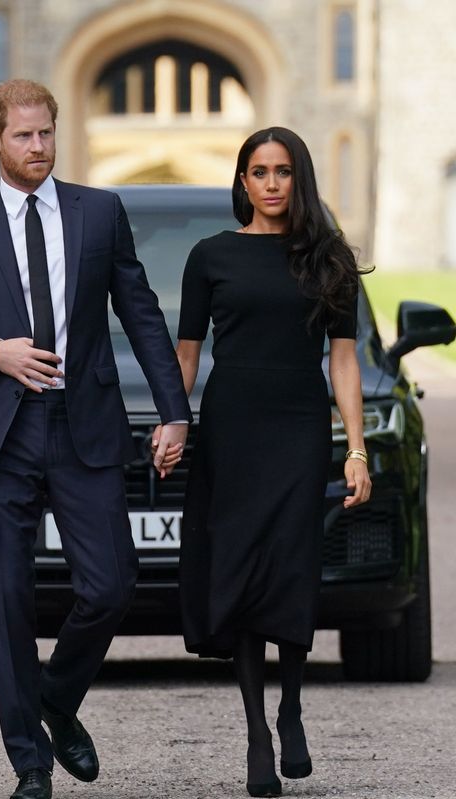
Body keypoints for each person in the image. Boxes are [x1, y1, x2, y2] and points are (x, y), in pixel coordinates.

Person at [0, 79, 190, 799]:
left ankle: (56, 698)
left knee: (111, 583)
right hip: (0, 433)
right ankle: (30, 765)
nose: (39, 147)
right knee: (6, 602)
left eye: (47, 134)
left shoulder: (98, 212)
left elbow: (143, 313)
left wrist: (174, 409)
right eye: (24, 136)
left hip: (83, 426)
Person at [175, 126, 372, 797]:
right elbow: (187, 354)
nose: (270, 183)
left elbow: (343, 360)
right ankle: (256, 730)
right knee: (240, 568)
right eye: (257, 171)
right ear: (242, 181)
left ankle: (291, 707)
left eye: (282, 171)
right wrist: (175, 423)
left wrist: (356, 450)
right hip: (233, 429)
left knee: (290, 565)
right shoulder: (210, 257)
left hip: (298, 428)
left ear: (299, 178)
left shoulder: (329, 258)